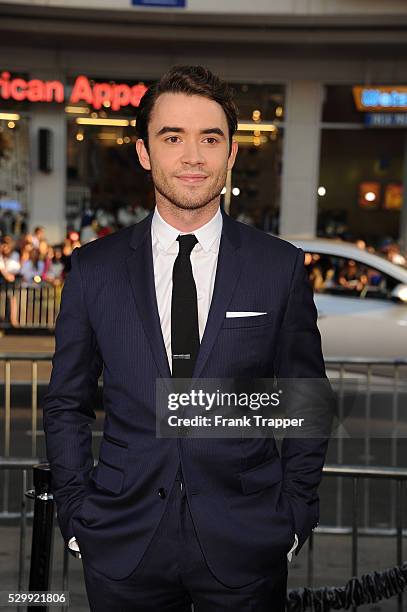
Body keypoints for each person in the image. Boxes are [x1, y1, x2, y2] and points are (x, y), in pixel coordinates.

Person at [43, 65, 329, 612]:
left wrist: (293, 517)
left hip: (247, 540)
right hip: (122, 539)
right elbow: (66, 401)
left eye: (210, 138)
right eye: (172, 137)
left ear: (231, 154)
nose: (192, 156)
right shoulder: (94, 269)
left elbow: (305, 401)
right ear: (145, 152)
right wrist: (77, 514)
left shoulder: (279, 268)